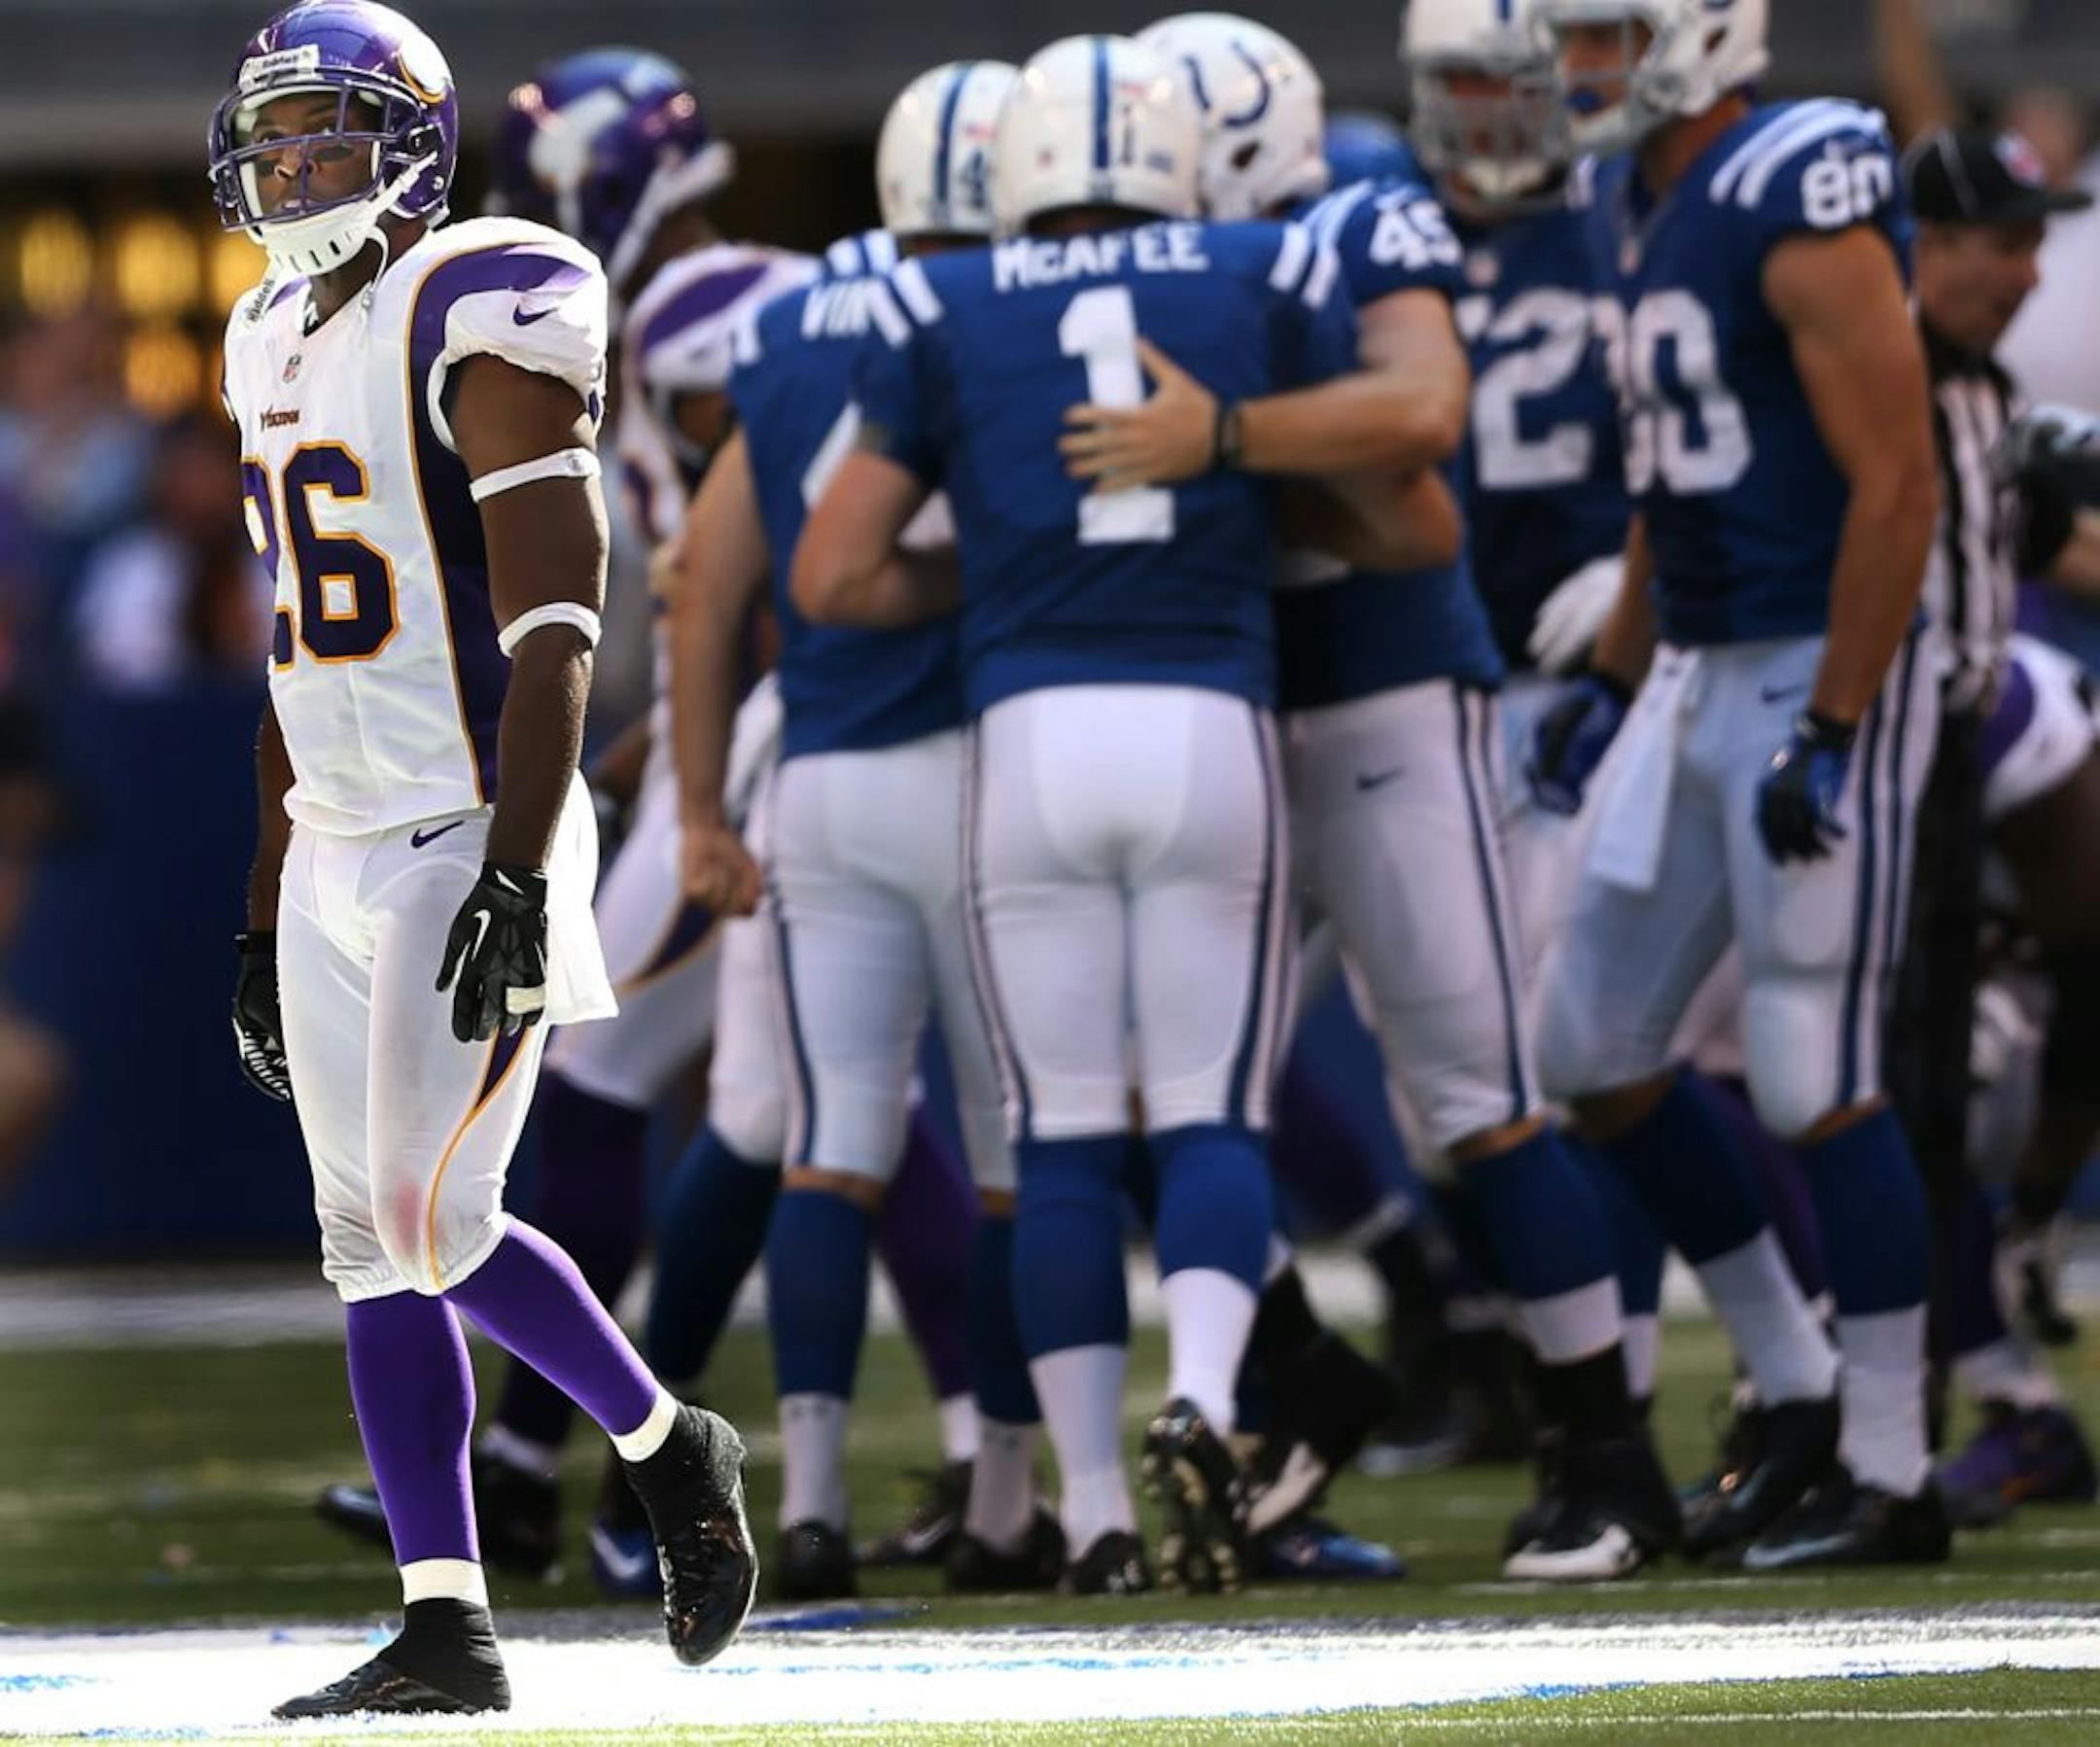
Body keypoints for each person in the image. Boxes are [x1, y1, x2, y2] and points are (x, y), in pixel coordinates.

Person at [795, 30, 1450, 1592]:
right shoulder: (1266, 266)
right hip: (1208, 720)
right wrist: (1236, 475)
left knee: (1067, 1139)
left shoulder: (940, 303)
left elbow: (831, 575)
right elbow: (1413, 519)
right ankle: (1213, 1402)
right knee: (1212, 1113)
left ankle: (1092, 1516)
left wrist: (1007, 580)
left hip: (1028, 734)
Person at [1060, 8, 1676, 1582]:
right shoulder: (1142, 260)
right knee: (1137, 1094)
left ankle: (1608, 1449)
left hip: (1391, 696)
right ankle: (1300, 1393)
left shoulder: (1361, 209)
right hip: (1227, 703)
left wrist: (1226, 438)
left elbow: (1419, 449)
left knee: (1478, 1089)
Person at [213, 2, 753, 1714]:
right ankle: (445, 1619)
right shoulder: (258, 333)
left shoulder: (485, 291)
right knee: (363, 1238)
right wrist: (255, 902)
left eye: (329, 130)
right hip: (332, 834)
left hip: (469, 821)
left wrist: (523, 867)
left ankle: (670, 1445)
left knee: (437, 1214)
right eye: (275, 133)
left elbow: (559, 622)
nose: (294, 164)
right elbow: (299, 648)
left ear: (419, 143)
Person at [1525, 0, 1949, 1568]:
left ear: (1698, 37)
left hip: (1810, 658)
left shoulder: (1802, 173)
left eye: (1603, 37)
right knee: (1590, 1047)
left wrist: (1836, 717)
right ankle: (1798, 1387)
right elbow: (1666, 474)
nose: (1576, 69)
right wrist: (1619, 672)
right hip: (1700, 657)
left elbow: (1899, 477)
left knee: (1807, 1059)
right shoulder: (1623, 194)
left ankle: (1895, 1472)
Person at [667, 57, 1055, 1599]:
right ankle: (1023, 1499)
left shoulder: (787, 325)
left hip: (821, 774)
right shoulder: (1032, 309)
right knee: (1025, 1150)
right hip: (993, 764)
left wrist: (699, 807)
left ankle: (810, 1506)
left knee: (831, 1153)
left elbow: (706, 584)